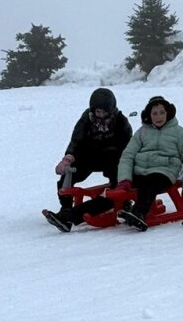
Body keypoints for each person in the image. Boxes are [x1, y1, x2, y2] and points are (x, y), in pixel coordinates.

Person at [42, 88, 134, 231]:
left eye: (104, 112)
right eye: (98, 112)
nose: (101, 115)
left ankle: (123, 201)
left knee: (117, 179)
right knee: (67, 177)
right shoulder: (87, 118)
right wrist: (68, 158)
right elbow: (76, 140)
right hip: (89, 157)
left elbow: (128, 146)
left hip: (113, 159)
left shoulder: (121, 122)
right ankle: (65, 209)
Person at [114, 96, 183, 231]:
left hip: (165, 171)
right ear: (149, 115)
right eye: (154, 113)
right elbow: (128, 155)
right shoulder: (141, 133)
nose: (159, 116)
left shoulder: (179, 133)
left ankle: (138, 213)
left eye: (162, 112)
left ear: (168, 113)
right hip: (141, 171)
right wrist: (124, 179)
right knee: (118, 180)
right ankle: (98, 210)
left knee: (150, 182)